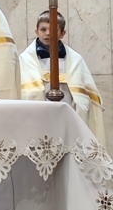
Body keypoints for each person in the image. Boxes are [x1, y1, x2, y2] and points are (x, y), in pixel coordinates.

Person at [20, 11, 106, 149]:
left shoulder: (75, 60)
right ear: (36, 32)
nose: (48, 33)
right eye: (43, 29)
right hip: (39, 116)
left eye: (53, 30)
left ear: (62, 34)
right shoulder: (25, 59)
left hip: (68, 114)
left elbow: (87, 95)